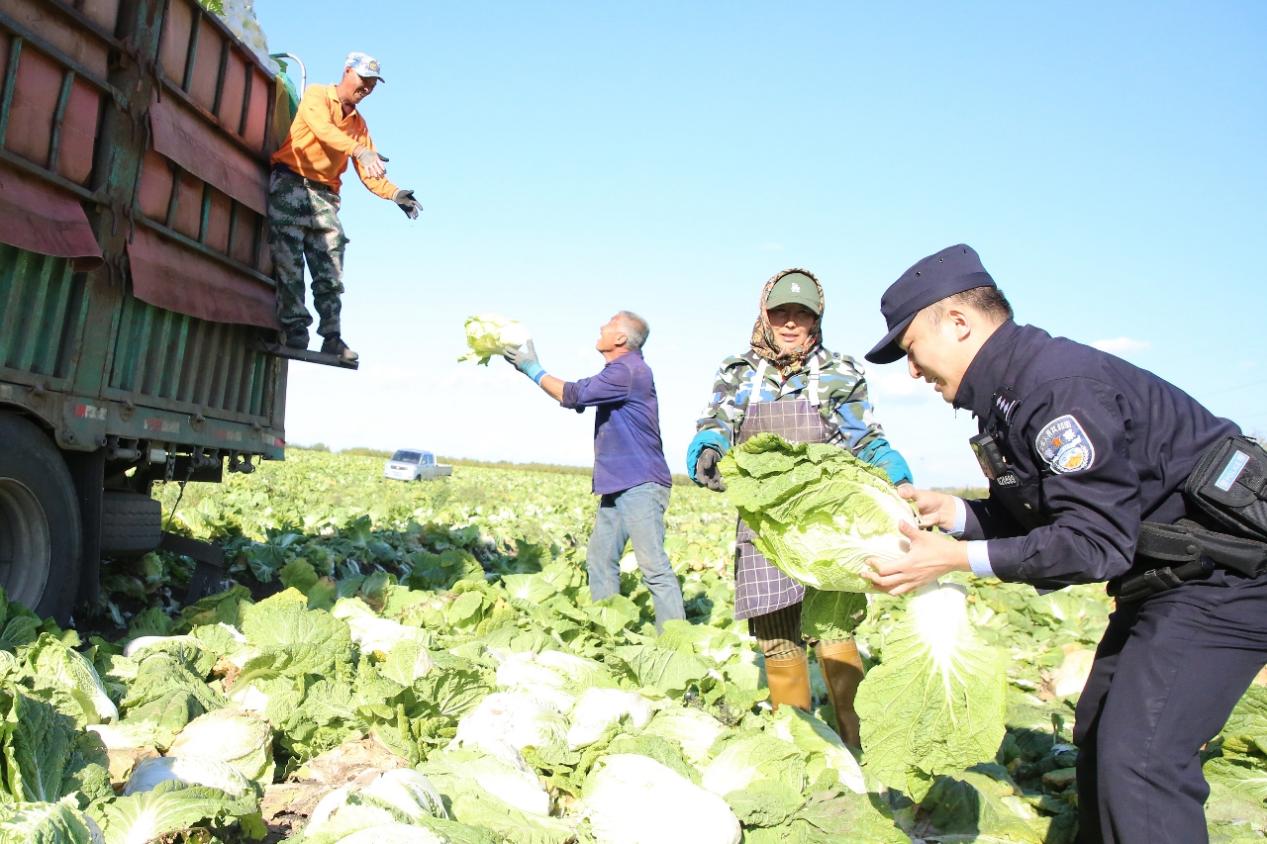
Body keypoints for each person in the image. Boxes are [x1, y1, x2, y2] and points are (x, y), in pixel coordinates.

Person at [861, 243, 1267, 844]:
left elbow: (1094, 541)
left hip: (1224, 580)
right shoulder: (1011, 393)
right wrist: (955, 515)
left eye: (910, 348)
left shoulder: (1057, 387)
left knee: (1144, 760)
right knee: (1102, 729)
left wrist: (957, 559)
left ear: (958, 322)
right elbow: (1048, 517)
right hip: (1164, 581)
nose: (912, 370)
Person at [684, 268, 912, 748]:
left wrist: (892, 469)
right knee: (777, 637)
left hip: (831, 527)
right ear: (765, 316)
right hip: (765, 527)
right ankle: (802, 747)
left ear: (816, 320)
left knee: (833, 630)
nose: (790, 323)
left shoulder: (840, 371)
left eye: (802, 314)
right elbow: (720, 418)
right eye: (781, 313)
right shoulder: (739, 372)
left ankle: (858, 742)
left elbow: (863, 435)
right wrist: (708, 442)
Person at [505, 311, 687, 633]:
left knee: (654, 567)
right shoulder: (619, 372)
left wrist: (532, 369)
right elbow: (580, 396)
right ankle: (609, 635)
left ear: (619, 339)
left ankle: (676, 648)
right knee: (600, 560)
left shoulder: (629, 371)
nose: (601, 326)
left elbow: (572, 394)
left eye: (609, 324)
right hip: (618, 484)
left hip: (641, 484)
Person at [268, 51, 422, 364]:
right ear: (347, 71)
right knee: (289, 262)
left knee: (330, 269)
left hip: (325, 197)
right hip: (290, 185)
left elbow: (370, 170)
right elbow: (322, 129)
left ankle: (332, 337)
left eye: (372, 84)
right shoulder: (317, 96)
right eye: (363, 79)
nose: (366, 87)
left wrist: (395, 194)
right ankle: (295, 329)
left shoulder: (359, 125)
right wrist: (358, 151)